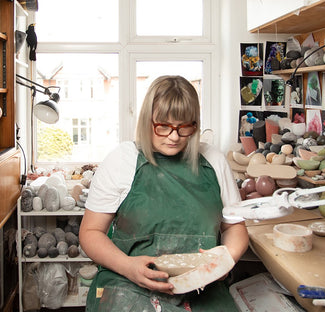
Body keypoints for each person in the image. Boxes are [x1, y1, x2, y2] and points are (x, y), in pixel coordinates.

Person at [79, 75, 249, 311]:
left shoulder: (213, 160)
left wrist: (224, 262)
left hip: (201, 288)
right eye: (163, 126)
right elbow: (90, 232)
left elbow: (235, 227)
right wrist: (128, 266)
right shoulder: (123, 160)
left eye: (184, 126)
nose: (174, 136)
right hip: (128, 284)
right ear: (147, 121)